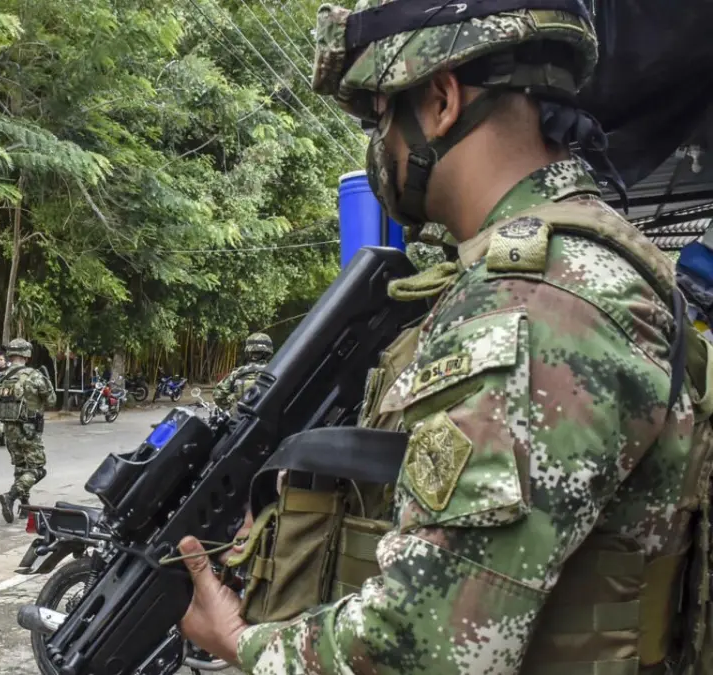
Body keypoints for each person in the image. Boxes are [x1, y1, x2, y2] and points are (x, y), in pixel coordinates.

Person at [176, 2, 713, 673]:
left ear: (440, 100)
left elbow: (421, 649)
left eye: (379, 119)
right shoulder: (575, 266)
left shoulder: (535, 304)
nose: (380, 149)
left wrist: (239, 641)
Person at [0, 338, 56, 523]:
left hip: (9, 430)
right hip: (29, 430)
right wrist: (48, 383)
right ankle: (10, 496)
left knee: (20, 467)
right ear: (26, 355)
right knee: (37, 469)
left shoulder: (2, 377)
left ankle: (25, 507)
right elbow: (51, 400)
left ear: (11, 355)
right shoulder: (34, 376)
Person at [211, 332, 272, 411]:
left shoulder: (237, 373)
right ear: (269, 353)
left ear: (248, 352)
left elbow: (218, 396)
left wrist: (233, 408)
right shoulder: (276, 371)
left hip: (241, 419)